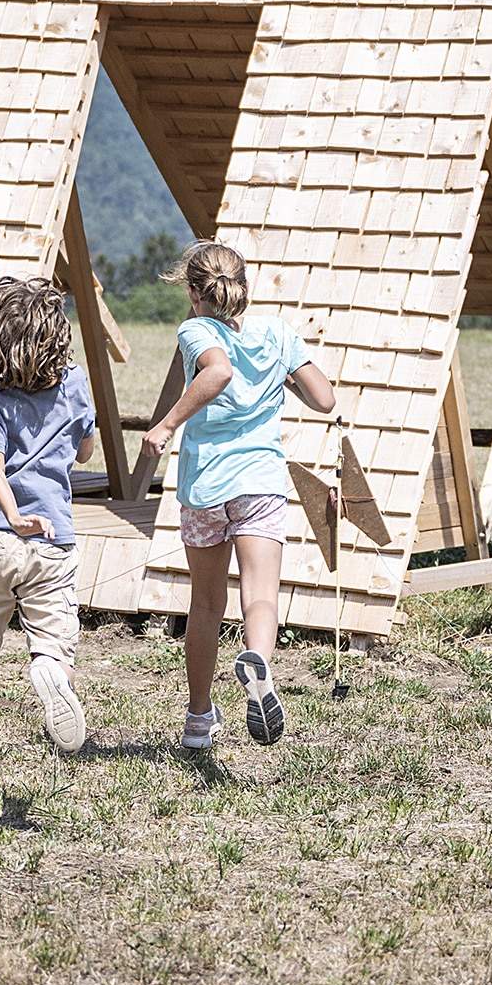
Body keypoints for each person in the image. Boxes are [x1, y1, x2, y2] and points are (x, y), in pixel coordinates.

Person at [140, 241, 336, 751]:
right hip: (260, 482)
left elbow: (218, 369)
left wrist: (165, 426)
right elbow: (324, 398)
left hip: (205, 485)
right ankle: (259, 664)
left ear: (192, 292)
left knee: (205, 604)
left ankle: (199, 718)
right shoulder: (276, 332)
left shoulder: (195, 330)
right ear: (245, 288)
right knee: (262, 595)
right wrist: (279, 373)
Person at [0, 277, 96, 807]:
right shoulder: (75, 385)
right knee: (54, 642)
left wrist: (13, 516)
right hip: (53, 540)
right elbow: (83, 454)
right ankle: (49, 670)